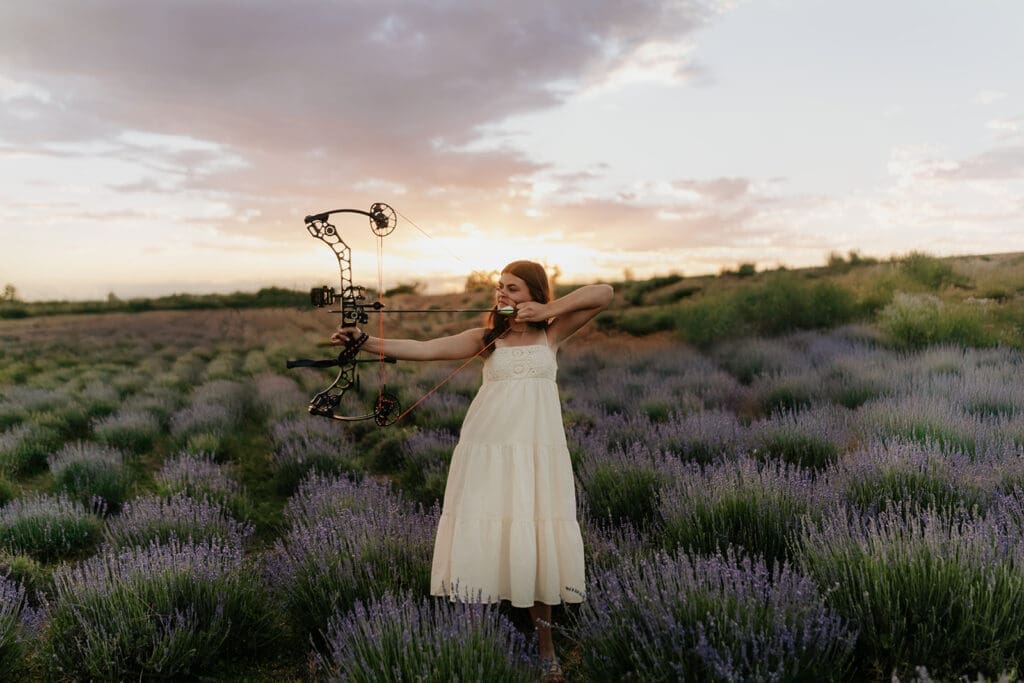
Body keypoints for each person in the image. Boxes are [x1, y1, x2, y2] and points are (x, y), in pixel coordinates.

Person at [330, 260, 613, 679]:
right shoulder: (486, 339)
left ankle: (547, 651)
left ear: (533, 293)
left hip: (535, 456)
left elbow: (603, 293)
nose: (502, 294)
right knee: (484, 539)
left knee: (534, 539)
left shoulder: (550, 335)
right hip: (486, 450)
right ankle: (475, 644)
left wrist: (544, 311)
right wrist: (365, 341)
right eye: (500, 287)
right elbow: (422, 348)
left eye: (513, 289)